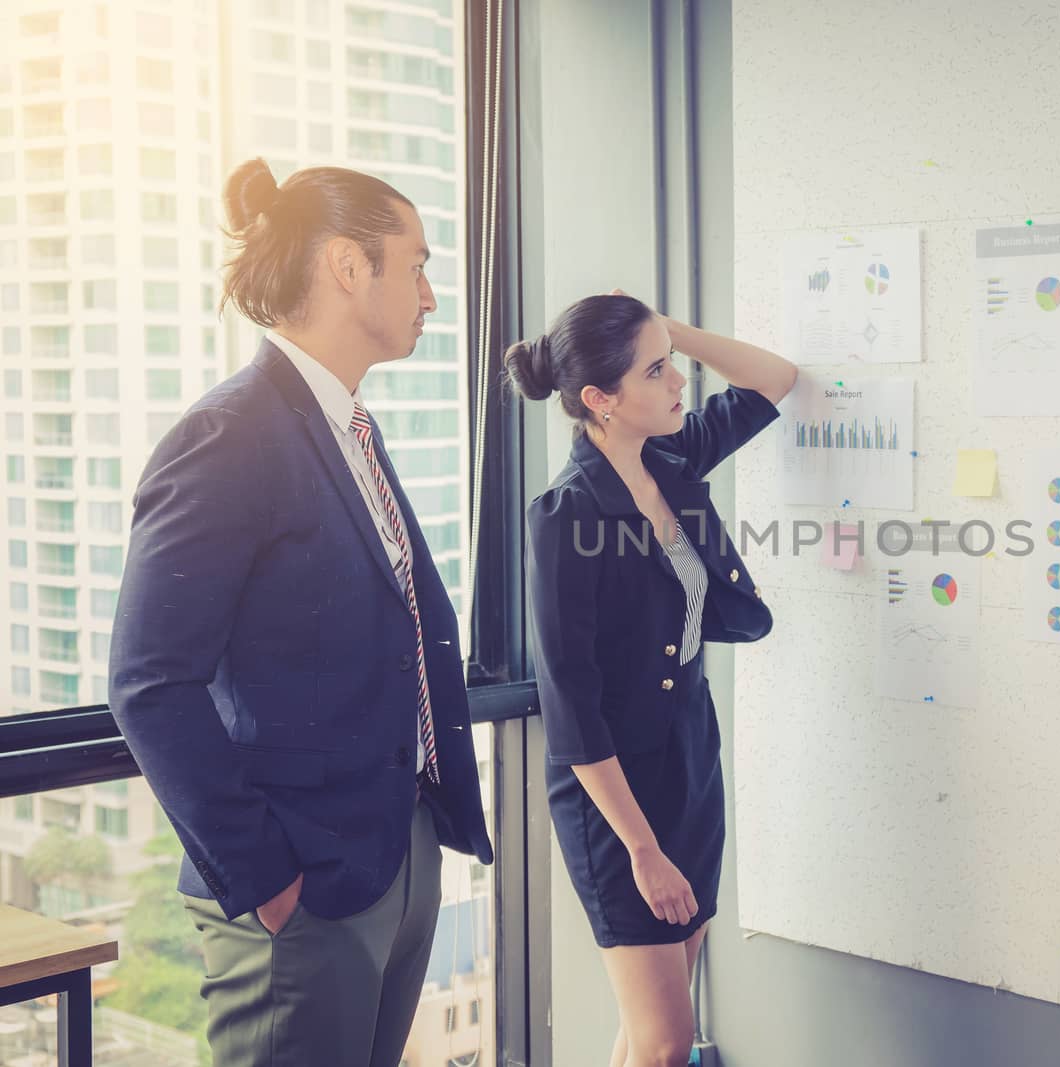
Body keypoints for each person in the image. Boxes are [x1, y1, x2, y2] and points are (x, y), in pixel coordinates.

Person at [109, 158, 493, 1067]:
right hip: (303, 887)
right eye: (418, 264)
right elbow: (148, 681)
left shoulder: (351, 426)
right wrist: (270, 880)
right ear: (347, 267)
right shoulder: (228, 435)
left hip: (393, 855)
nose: (431, 295)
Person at [507, 293, 796, 1067]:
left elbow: (774, 377)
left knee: (648, 1033)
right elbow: (574, 711)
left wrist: (674, 334)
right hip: (614, 798)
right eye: (657, 370)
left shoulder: (669, 458)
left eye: (672, 364)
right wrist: (641, 849)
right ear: (600, 400)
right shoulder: (563, 516)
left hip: (690, 765)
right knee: (669, 1041)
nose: (679, 383)